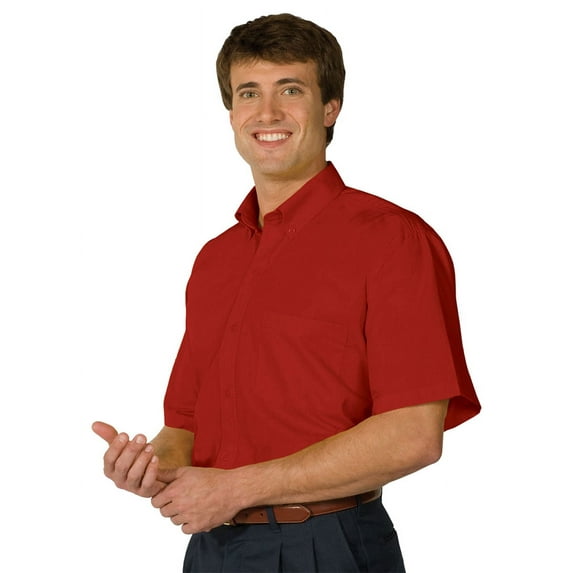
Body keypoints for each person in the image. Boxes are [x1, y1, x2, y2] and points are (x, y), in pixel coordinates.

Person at [93, 13, 480, 572]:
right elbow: (186, 426)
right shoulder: (215, 260)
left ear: (330, 108)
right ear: (232, 113)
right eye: (249, 92)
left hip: (326, 544)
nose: (267, 113)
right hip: (212, 547)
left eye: (291, 90)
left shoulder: (392, 240)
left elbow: (413, 435)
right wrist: (152, 466)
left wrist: (236, 487)